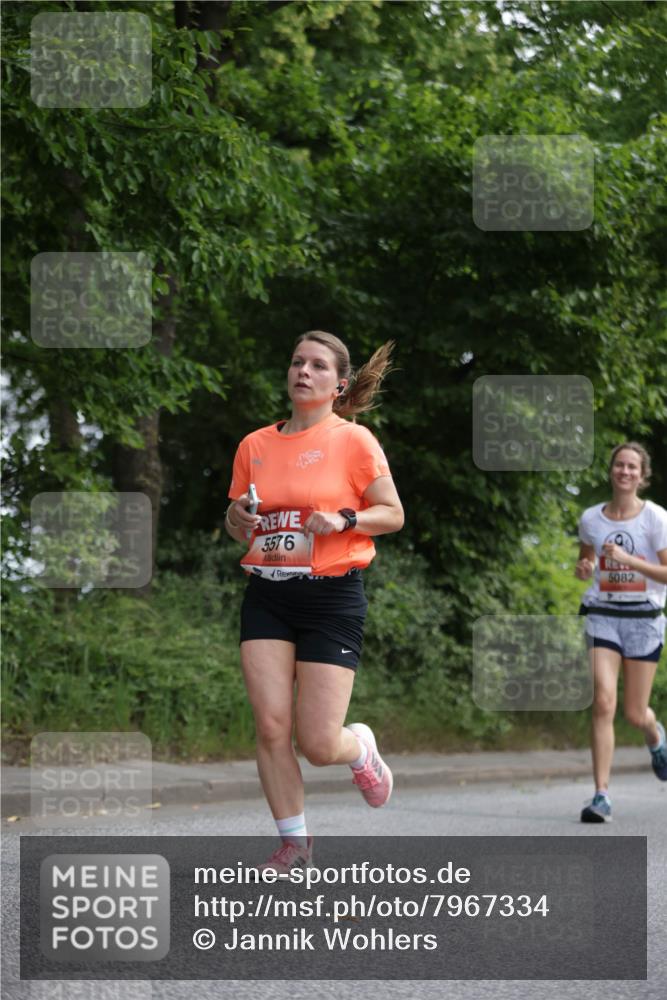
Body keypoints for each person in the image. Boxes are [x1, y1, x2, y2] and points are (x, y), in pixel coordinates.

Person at [224, 331, 404, 871]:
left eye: (318, 365)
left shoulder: (354, 441)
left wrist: (345, 518)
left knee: (320, 744)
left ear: (339, 383)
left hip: (332, 597)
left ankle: (361, 751)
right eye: (297, 361)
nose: (303, 371)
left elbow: (392, 513)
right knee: (272, 727)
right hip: (267, 595)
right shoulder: (254, 446)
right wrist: (239, 520)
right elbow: (236, 523)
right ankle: (294, 844)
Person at [575, 441, 667, 822]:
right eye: (619, 465)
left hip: (644, 618)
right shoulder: (591, 518)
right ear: (611, 471)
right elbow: (586, 561)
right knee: (603, 701)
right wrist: (583, 568)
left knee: (633, 713)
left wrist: (629, 559)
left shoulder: (656, 519)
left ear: (641, 476)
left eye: (632, 467)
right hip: (602, 613)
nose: (625, 471)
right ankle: (601, 795)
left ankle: (656, 736)